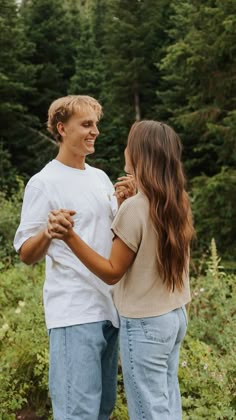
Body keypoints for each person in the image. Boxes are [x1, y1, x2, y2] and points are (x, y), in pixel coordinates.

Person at [47, 120, 195, 420]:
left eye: (129, 144)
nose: (125, 149)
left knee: (146, 410)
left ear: (139, 153)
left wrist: (69, 236)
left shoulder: (136, 208)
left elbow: (112, 271)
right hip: (175, 317)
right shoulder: (176, 200)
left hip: (145, 324)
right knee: (165, 402)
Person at [13, 95, 135, 420]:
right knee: (76, 412)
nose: (94, 131)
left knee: (102, 409)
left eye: (96, 124)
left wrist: (125, 205)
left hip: (110, 310)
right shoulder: (43, 183)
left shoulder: (99, 178)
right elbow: (26, 252)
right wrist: (48, 232)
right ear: (61, 128)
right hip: (74, 313)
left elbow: (111, 237)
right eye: (86, 124)